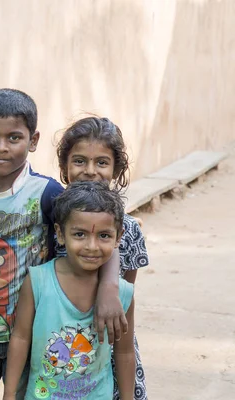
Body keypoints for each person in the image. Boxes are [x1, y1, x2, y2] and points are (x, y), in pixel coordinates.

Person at [0, 89, 125, 399]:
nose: (1, 148)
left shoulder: (47, 193)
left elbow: (97, 237)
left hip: (33, 334)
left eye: (14, 138)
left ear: (33, 141)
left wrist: (109, 287)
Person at [3, 180, 136, 400]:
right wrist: (9, 394)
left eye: (104, 236)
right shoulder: (38, 281)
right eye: (80, 234)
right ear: (61, 234)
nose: (91, 246)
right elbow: (20, 338)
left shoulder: (123, 294)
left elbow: (124, 352)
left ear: (118, 237)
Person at [55, 116, 149, 399]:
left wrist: (109, 289)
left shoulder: (129, 230)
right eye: (80, 161)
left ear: (117, 169)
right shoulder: (51, 218)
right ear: (64, 167)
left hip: (109, 345)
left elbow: (126, 294)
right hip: (56, 347)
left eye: (102, 163)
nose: (90, 171)